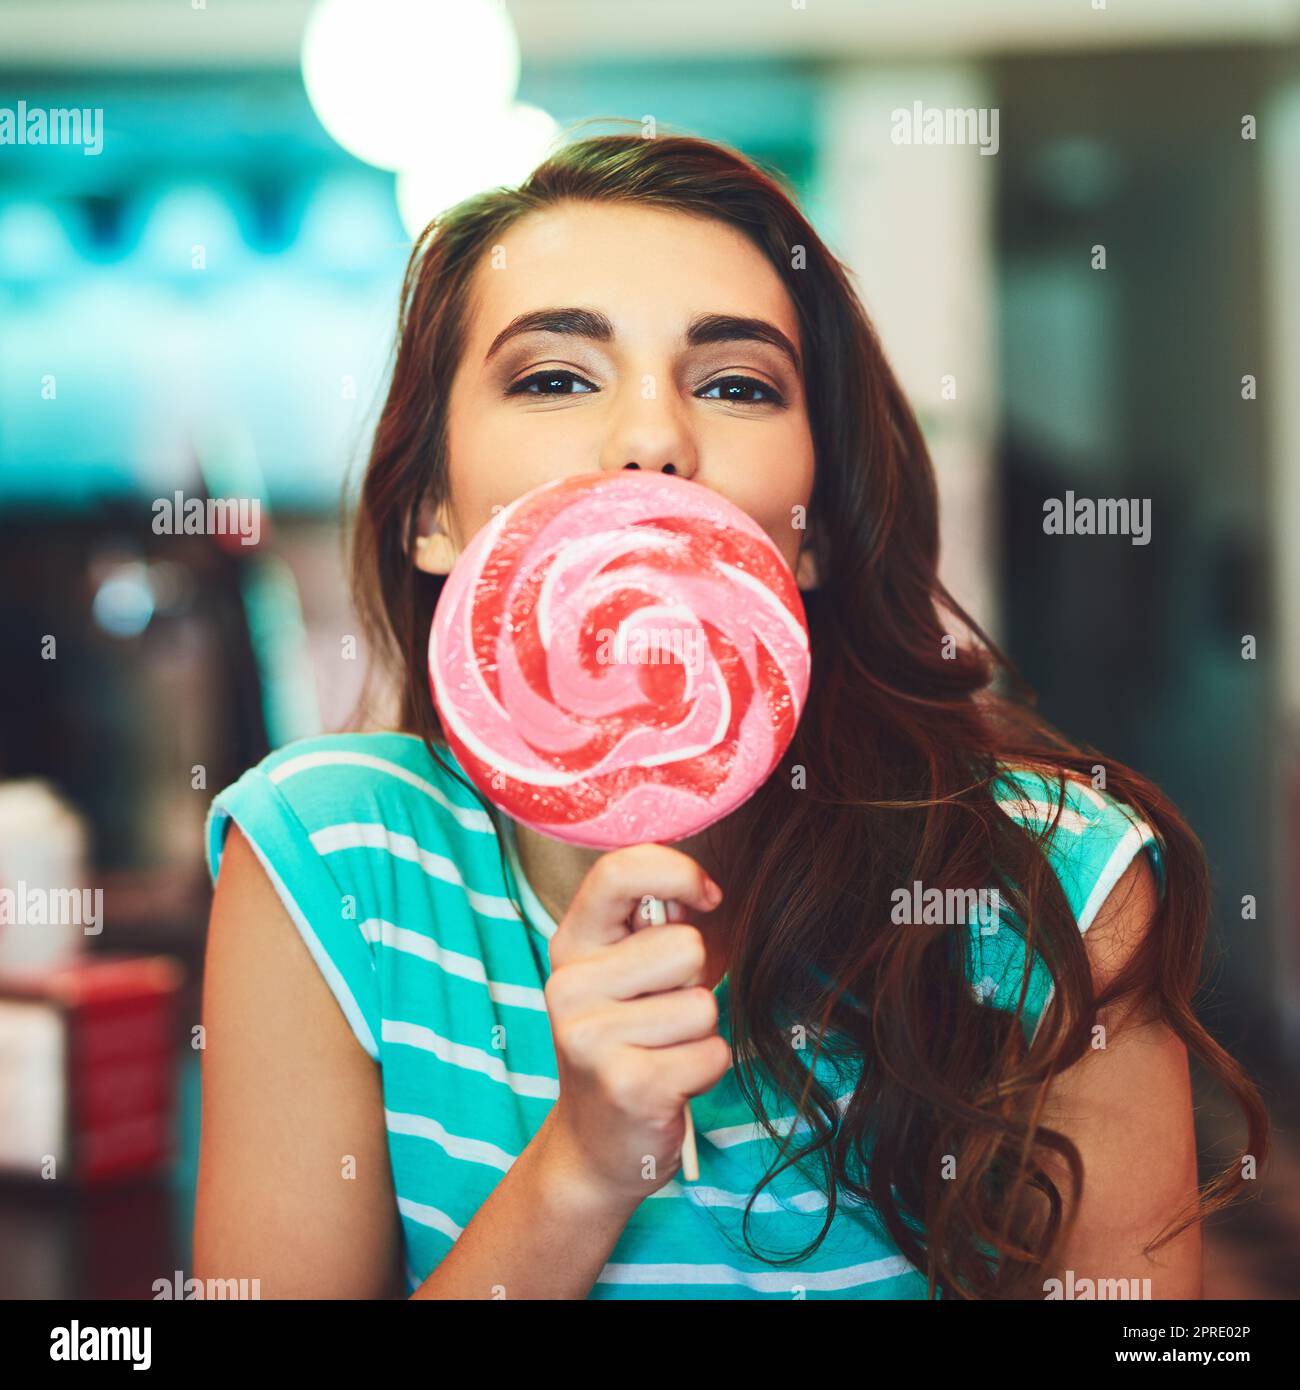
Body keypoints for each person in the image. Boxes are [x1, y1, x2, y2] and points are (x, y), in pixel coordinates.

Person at [193, 129, 1268, 1299]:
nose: (653, 438)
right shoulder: (331, 863)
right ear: (428, 514)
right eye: (555, 376)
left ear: (808, 527)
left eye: (736, 384)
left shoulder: (1045, 879)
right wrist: (582, 1165)